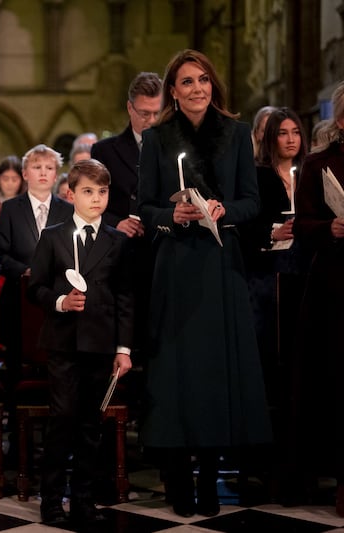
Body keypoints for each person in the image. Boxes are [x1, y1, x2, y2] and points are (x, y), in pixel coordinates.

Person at [137, 49, 272, 518]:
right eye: (188, 82)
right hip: (175, 264)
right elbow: (145, 205)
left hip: (220, 264)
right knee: (176, 376)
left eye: (204, 81)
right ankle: (178, 480)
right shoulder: (156, 139)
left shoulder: (236, 134)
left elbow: (252, 201)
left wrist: (223, 210)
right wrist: (170, 214)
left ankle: (211, 480)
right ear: (172, 91)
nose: (198, 89)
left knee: (215, 375)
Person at [27, 158, 134, 526]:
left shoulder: (117, 241)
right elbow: (34, 287)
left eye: (102, 192)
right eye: (88, 192)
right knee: (64, 419)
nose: (96, 199)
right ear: (71, 193)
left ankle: (84, 498)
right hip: (63, 343)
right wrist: (60, 301)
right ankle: (52, 500)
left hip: (102, 344)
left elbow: (124, 296)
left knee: (92, 424)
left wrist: (124, 350)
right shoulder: (53, 236)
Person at [90, 70, 162, 502]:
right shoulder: (105, 150)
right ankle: (112, 450)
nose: (151, 121)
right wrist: (119, 221)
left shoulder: (171, 146)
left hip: (160, 261)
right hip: (119, 263)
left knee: (157, 352)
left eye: (157, 113)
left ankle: (156, 441)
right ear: (129, 109)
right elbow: (94, 204)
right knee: (120, 351)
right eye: (144, 113)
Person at [240, 107, 308, 501]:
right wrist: (272, 231)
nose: (290, 139)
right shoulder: (260, 177)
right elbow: (247, 227)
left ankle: (297, 464)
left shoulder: (312, 173)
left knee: (298, 372)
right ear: (270, 139)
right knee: (268, 369)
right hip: (266, 280)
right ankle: (261, 466)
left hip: (301, 277)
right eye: (282, 133)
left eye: (296, 132)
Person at [292, 80, 344, 517]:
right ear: (341, 121)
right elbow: (303, 227)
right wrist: (330, 228)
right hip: (335, 289)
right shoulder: (318, 165)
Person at [0, 144, 72, 440]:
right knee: (16, 369)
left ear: (56, 175)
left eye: (49, 168)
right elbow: (0, 252)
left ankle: (57, 436)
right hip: (20, 299)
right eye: (37, 167)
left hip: (56, 302)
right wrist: (24, 271)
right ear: (25, 173)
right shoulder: (12, 209)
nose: (43, 173)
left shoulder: (67, 209)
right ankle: (17, 437)